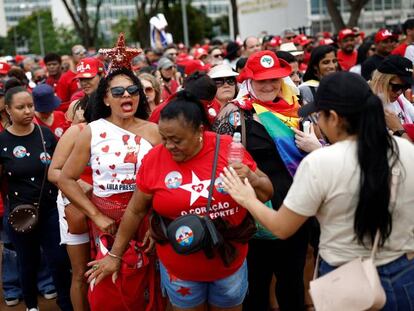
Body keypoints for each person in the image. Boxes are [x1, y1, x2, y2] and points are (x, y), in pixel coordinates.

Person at [222, 71, 414, 311]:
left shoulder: (320, 162)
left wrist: (247, 198)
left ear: (333, 117)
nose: (317, 122)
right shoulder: (406, 150)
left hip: (347, 277)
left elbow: (282, 228)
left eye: (319, 115)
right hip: (405, 273)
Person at [85, 90, 273, 311]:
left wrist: (251, 178)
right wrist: (115, 255)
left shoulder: (227, 148)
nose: (169, 146)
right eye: (164, 138)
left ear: (199, 131)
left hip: (229, 266)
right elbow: (135, 211)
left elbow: (266, 191)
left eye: (177, 140)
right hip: (179, 272)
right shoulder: (154, 159)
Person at [212, 50, 309, 311]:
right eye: (261, 80)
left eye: (273, 79)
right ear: (248, 82)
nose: (268, 85)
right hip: (253, 212)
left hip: (295, 206)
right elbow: (216, 161)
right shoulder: (233, 114)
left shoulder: (297, 109)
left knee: (292, 284)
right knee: (256, 286)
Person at [58, 67, 161, 310]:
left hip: (145, 225)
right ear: (105, 98)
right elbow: (65, 179)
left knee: (146, 289)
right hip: (107, 225)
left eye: (133, 90)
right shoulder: (92, 131)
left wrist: (156, 220)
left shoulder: (155, 132)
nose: (127, 95)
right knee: (106, 290)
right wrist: (96, 215)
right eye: (118, 91)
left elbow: (164, 180)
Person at [0, 86, 72, 311]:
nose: (28, 111)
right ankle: (31, 305)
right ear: (8, 110)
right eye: (20, 107)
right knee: (27, 263)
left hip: (50, 211)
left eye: (30, 106)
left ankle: (66, 303)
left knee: (59, 261)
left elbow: (62, 169)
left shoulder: (46, 135)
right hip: (20, 215)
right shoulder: (2, 141)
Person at [48, 97, 94, 311]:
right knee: (80, 271)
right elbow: (54, 172)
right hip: (75, 206)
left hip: (109, 206)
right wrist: (79, 184)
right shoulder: (76, 131)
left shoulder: (117, 130)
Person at [370, 55, 414, 141]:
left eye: (405, 87)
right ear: (381, 80)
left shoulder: (400, 98)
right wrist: (398, 129)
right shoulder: (369, 104)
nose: (400, 92)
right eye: (396, 87)